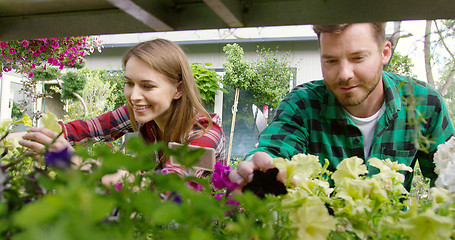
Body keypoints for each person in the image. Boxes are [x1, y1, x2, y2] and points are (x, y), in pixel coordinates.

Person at [229, 22, 454, 192]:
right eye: (331, 61)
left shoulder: (424, 104)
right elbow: (274, 151)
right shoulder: (302, 104)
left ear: (384, 53)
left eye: (357, 58)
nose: (345, 74)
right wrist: (256, 167)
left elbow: (449, 179)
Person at [18, 38, 227, 177]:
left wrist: (78, 162)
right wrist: (39, 137)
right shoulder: (143, 113)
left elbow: (166, 190)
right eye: (129, 83)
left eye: (148, 86)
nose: (134, 96)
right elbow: (88, 129)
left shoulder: (205, 133)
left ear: (178, 89)